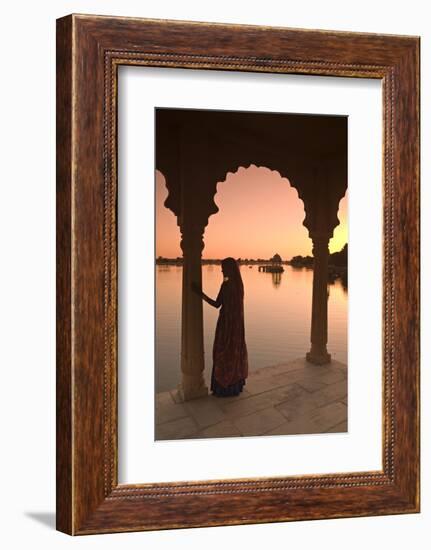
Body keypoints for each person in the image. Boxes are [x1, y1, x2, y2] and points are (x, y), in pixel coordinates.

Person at [192, 257, 248, 397]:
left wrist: (200, 294)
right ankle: (234, 386)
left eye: (223, 268)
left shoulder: (227, 285)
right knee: (233, 353)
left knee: (222, 353)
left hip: (226, 325)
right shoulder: (239, 285)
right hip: (237, 326)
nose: (222, 271)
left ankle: (223, 388)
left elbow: (217, 304)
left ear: (229, 269)